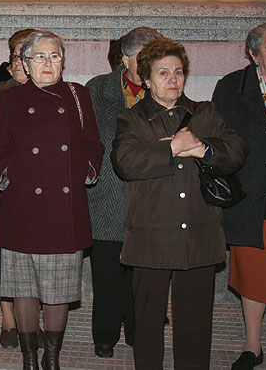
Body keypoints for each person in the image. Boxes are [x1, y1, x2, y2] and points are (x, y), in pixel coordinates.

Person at [111, 37, 247, 370]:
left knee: (196, 325)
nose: (173, 79)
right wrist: (171, 148)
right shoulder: (132, 119)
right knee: (146, 326)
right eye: (163, 73)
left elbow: (237, 150)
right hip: (150, 237)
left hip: (198, 235)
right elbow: (125, 162)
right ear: (146, 79)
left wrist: (202, 148)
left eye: (179, 72)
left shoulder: (204, 113)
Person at [0, 30, 104, 370]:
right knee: (23, 289)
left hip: (63, 209)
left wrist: (84, 169)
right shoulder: (10, 99)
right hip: (22, 206)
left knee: (58, 290)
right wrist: (9, 172)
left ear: (63, 62)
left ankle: (52, 357)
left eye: (54, 56)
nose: (48, 63)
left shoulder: (78, 95)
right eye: (39, 57)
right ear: (24, 62)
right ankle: (29, 357)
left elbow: (93, 143)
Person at [85, 26, 164, 359]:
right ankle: (105, 333)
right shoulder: (96, 89)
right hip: (106, 194)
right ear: (127, 58)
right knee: (106, 271)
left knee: (142, 273)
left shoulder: (163, 88)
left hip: (149, 196)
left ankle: (138, 330)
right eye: (148, 58)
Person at [212, 20, 266, 370]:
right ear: (253, 54)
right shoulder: (230, 87)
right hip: (249, 198)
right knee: (254, 275)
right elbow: (217, 138)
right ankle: (252, 346)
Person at [0, 28, 37, 348]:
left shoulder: (52, 94)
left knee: (33, 258)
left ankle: (31, 318)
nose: (18, 61)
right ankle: (8, 319)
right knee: (2, 256)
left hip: (37, 194)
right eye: (14, 54)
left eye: (24, 54)